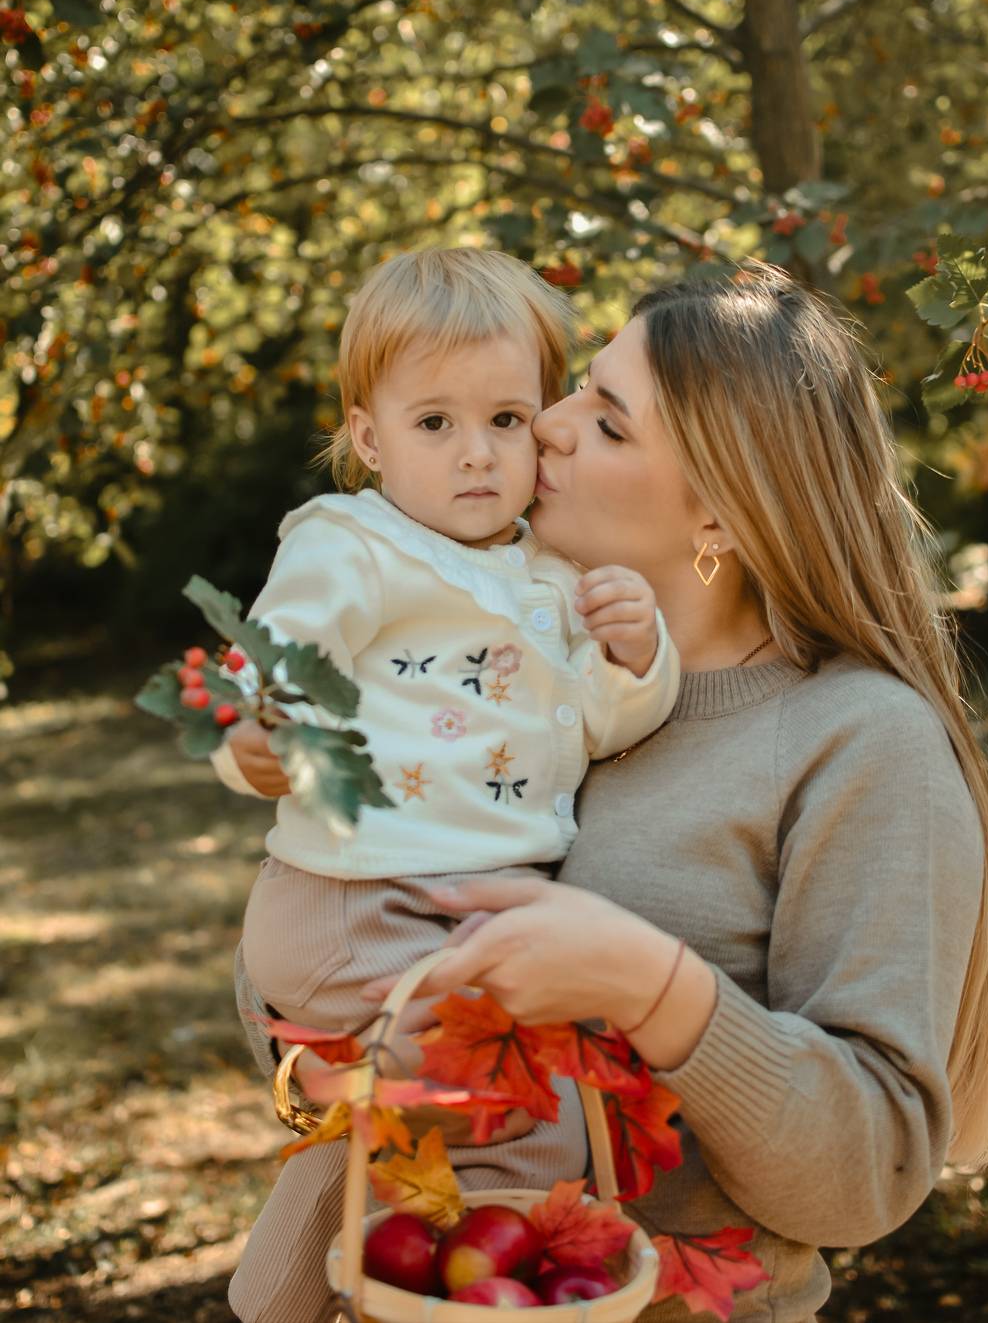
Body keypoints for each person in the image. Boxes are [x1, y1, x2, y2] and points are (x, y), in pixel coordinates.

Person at [230, 266, 988, 1322]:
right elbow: (323, 951)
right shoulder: (513, 666)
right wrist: (309, 1062)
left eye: (607, 421)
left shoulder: (860, 739)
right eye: (575, 389)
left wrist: (653, 989)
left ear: (720, 511)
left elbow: (868, 1177)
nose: (546, 424)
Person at [211, 248, 681, 1323]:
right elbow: (277, 655)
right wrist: (256, 735)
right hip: (360, 897)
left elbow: (599, 723)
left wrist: (635, 652)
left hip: (455, 911)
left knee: (417, 1126)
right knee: (516, 1115)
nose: (477, 453)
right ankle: (475, 1290)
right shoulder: (355, 542)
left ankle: (283, 1293)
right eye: (434, 423)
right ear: (369, 438)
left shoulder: (554, 578)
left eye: (507, 419)